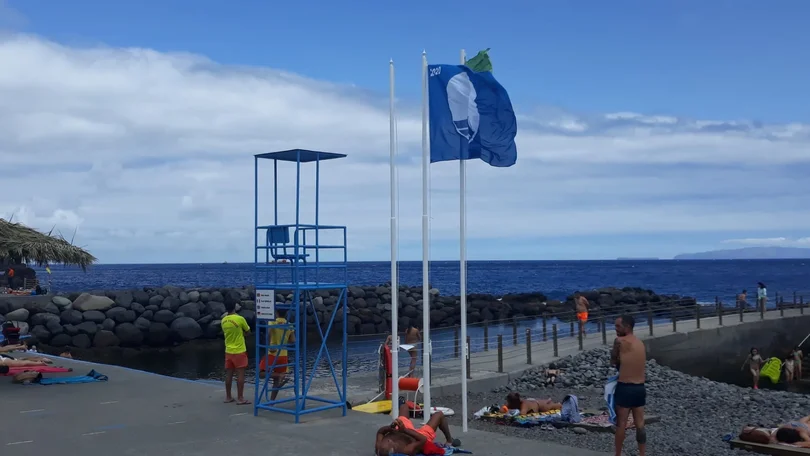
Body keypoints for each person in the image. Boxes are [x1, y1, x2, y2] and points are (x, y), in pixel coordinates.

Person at [610, 314, 646, 456]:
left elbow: (613, 361)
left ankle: (618, 454)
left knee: (621, 424)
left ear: (627, 327)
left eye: (618, 326)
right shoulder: (640, 343)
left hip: (625, 387)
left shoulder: (619, 341)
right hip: (640, 388)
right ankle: (642, 454)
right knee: (640, 424)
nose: (616, 329)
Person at [374, 397, 460, 456]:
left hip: (401, 431)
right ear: (393, 450)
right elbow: (423, 439)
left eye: (386, 441)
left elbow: (380, 432)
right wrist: (404, 430)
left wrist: (390, 427)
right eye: (389, 443)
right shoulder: (406, 450)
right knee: (439, 415)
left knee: (404, 407)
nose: (388, 440)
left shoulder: (379, 447)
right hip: (417, 436)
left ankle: (404, 403)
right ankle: (449, 441)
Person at [260, 309, 294, 401]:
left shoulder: (272, 322)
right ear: (286, 313)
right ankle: (272, 401)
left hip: (272, 352)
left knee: (261, 373)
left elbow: (268, 334)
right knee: (276, 380)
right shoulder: (289, 325)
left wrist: (269, 346)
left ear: (276, 313)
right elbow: (293, 340)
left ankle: (278, 376)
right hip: (283, 354)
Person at [220, 302, 250, 405]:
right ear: (235, 308)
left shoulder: (223, 320)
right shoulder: (240, 319)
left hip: (228, 350)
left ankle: (228, 396)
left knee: (229, 374)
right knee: (240, 375)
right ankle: (240, 398)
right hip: (239, 350)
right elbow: (248, 331)